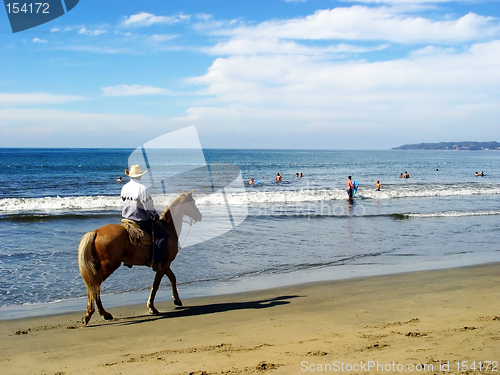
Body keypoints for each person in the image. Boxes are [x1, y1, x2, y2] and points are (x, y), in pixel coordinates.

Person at [121, 165, 169, 272]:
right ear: (140, 176)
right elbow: (148, 207)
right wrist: (154, 215)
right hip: (139, 220)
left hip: (125, 219)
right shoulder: (142, 188)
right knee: (163, 235)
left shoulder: (124, 187)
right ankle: (155, 261)